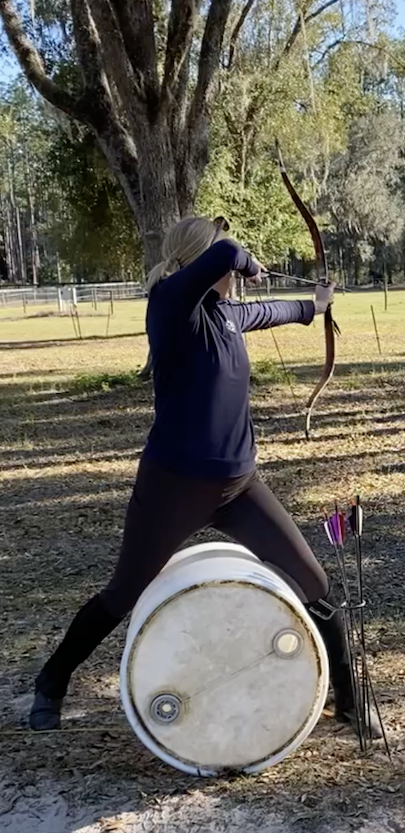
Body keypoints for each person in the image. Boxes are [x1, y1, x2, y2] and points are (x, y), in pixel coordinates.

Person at [29, 216, 372, 737]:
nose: (235, 270)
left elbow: (277, 309)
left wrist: (316, 305)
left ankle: (348, 699)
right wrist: (245, 258)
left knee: (315, 584)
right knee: (122, 594)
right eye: (222, 258)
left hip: (239, 487)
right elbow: (229, 252)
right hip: (173, 488)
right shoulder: (168, 306)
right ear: (197, 259)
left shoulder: (226, 315)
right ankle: (51, 682)